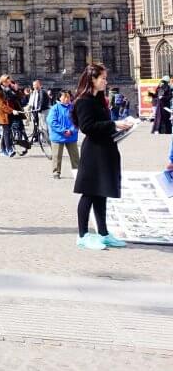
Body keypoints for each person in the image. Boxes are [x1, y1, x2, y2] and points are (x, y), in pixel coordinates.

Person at [72, 64, 132, 250]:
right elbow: (87, 127)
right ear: (92, 79)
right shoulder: (84, 101)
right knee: (89, 192)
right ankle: (82, 235)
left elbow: (102, 123)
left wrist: (119, 128)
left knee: (102, 193)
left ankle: (103, 233)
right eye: (103, 78)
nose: (106, 81)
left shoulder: (99, 99)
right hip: (93, 152)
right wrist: (113, 125)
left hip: (105, 149)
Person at [47, 90, 79, 180]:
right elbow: (52, 121)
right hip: (58, 136)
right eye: (64, 97)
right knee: (57, 156)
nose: (67, 98)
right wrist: (63, 131)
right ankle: (56, 172)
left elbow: (78, 121)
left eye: (68, 97)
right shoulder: (55, 108)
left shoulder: (73, 108)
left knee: (75, 156)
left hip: (71, 136)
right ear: (59, 98)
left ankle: (77, 172)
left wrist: (71, 131)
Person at [0, 75, 16, 157]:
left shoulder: (9, 90)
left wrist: (15, 89)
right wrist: (12, 110)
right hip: (2, 114)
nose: (8, 83)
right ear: (2, 82)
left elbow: (16, 98)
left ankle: (2, 150)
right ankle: (9, 149)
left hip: (9, 113)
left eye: (9, 81)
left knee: (5, 132)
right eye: (7, 81)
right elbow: (1, 105)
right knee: (7, 131)